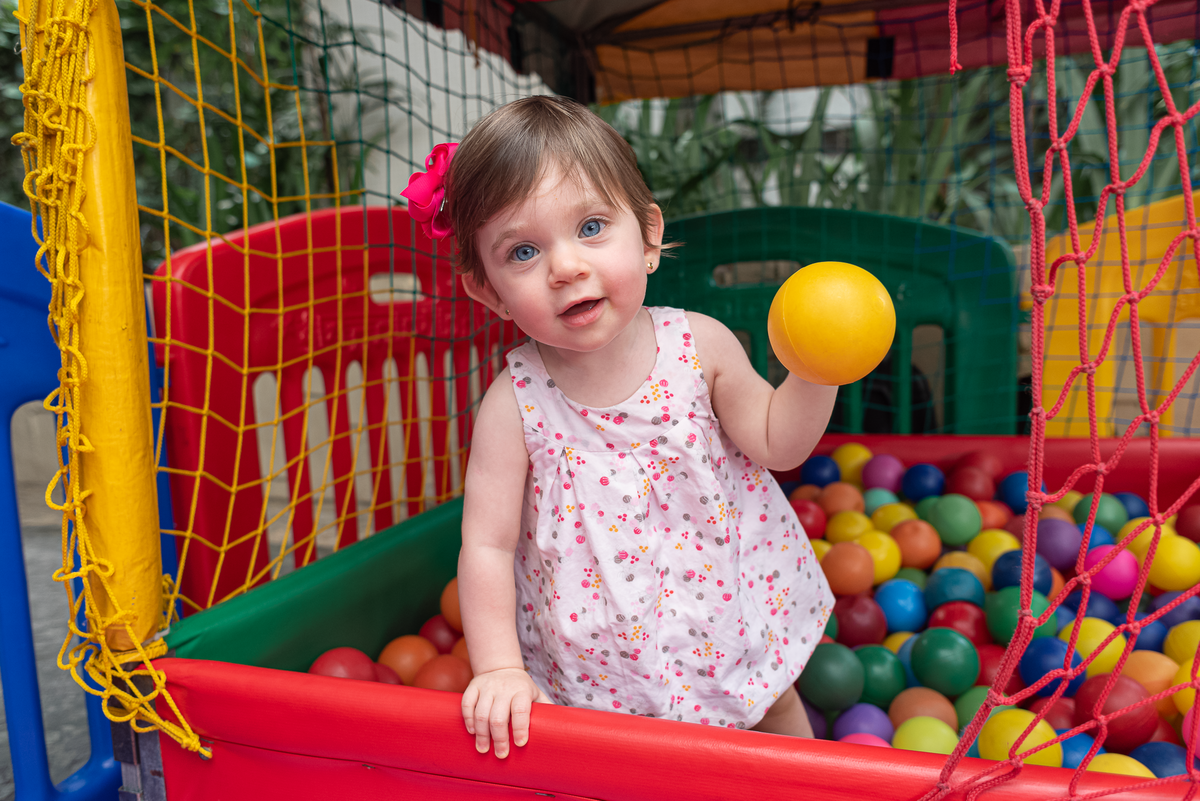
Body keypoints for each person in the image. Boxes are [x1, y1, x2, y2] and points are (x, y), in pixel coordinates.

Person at [402, 96, 836, 760]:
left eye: (592, 226)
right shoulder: (514, 404)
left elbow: (780, 442)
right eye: (522, 250)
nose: (566, 266)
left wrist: (817, 367)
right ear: (487, 290)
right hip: (599, 658)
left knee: (773, 706)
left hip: (729, 621)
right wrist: (497, 667)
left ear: (649, 234)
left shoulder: (702, 346)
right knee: (623, 761)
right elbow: (486, 547)